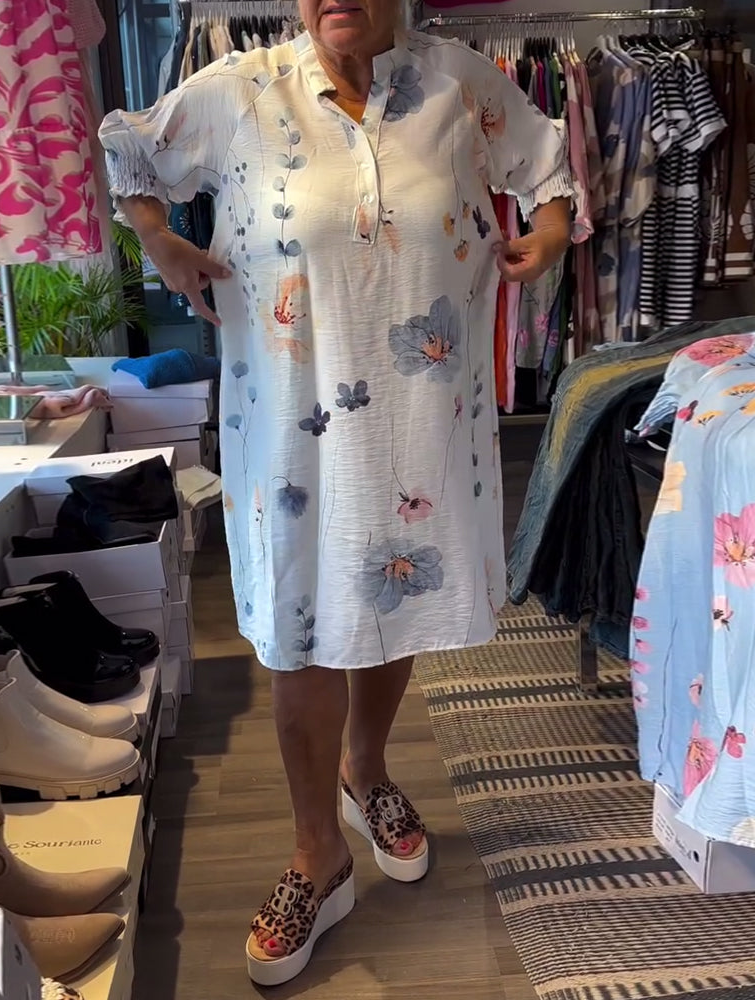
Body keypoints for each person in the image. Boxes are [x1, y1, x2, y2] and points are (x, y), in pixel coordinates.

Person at [99, 0, 572, 985]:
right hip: (289, 433)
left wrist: (554, 228)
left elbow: (545, 161)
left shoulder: (458, 83)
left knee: (393, 595)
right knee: (300, 627)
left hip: (417, 421)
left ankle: (367, 768)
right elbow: (131, 151)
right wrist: (159, 240)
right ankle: (318, 850)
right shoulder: (238, 91)